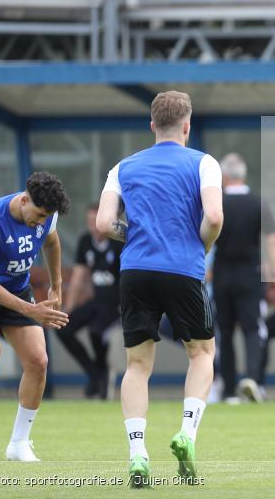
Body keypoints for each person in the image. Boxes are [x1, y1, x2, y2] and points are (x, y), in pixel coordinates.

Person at [96, 90, 223, 487]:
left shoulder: (123, 167)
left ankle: (137, 454)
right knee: (201, 353)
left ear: (152, 125)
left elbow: (103, 225)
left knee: (137, 365)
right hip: (183, 269)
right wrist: (198, 245)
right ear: (187, 125)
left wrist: (133, 235)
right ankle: (187, 433)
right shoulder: (204, 163)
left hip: (135, 269)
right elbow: (215, 217)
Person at [0, 172, 71, 463]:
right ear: (24, 200)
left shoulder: (47, 217)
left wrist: (56, 285)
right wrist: (31, 310)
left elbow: (52, 243)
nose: (41, 222)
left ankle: (18, 443)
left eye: (47, 217)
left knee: (38, 361)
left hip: (17, 288)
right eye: (39, 215)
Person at [212, 153, 275, 404]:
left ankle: (229, 390)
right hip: (250, 274)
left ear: (225, 177)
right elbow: (272, 241)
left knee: (225, 331)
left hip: (222, 273)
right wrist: (274, 275)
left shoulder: (217, 203)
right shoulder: (258, 203)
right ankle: (252, 380)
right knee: (253, 329)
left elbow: (206, 234)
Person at [56, 203, 122, 400]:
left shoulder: (119, 242)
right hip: (96, 301)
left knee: (96, 332)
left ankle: (100, 376)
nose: (94, 226)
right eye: (90, 221)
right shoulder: (86, 241)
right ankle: (96, 374)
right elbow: (78, 276)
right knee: (64, 329)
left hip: (116, 303)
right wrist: (68, 309)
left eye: (97, 221)